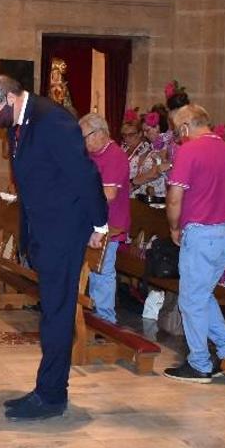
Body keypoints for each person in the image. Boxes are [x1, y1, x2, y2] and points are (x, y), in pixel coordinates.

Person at [0, 73, 106, 420]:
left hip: (64, 230)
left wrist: (99, 223)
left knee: (58, 314)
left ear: (8, 96)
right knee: (51, 311)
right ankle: (45, 388)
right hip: (45, 230)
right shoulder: (20, 123)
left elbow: (84, 174)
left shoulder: (52, 120)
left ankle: (51, 397)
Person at [161, 104, 225, 383]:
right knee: (202, 294)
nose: (178, 138)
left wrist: (174, 227)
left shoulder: (189, 150)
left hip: (203, 232)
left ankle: (199, 363)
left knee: (191, 300)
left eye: (177, 132)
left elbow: (174, 198)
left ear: (185, 127)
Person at [78, 112, 131, 323]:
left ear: (100, 133)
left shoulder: (115, 156)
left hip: (111, 225)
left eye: (85, 136)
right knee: (90, 270)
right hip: (89, 222)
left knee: (102, 272)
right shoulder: (89, 155)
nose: (82, 142)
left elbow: (108, 195)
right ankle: (90, 315)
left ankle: (106, 320)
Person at [130, 111, 170, 199]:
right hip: (148, 195)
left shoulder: (165, 145)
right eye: (144, 131)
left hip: (159, 199)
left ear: (157, 127)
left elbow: (155, 173)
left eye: (147, 130)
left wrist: (133, 183)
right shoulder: (152, 147)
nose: (145, 134)